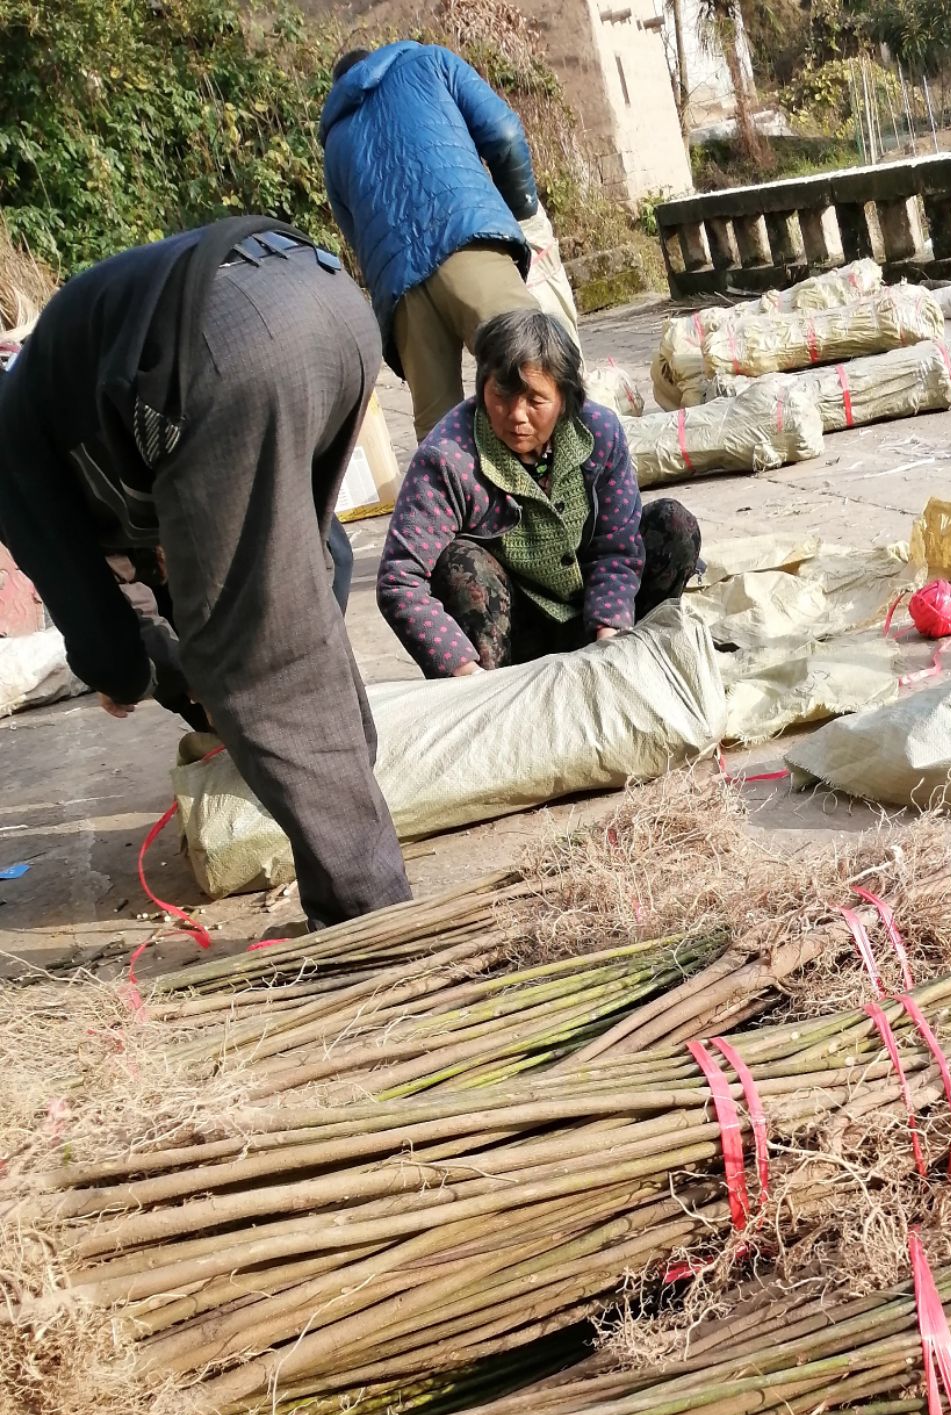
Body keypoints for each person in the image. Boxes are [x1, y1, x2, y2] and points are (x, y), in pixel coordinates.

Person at [0, 219, 412, 927]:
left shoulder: (9, 440)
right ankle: (347, 791)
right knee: (286, 604)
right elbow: (323, 560)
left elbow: (99, 633)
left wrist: (136, 676)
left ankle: (366, 921)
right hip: (328, 298)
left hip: (227, 345)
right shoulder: (52, 383)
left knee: (256, 665)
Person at [376, 309, 701, 678]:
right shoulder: (448, 458)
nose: (516, 415)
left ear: (565, 398)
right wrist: (463, 672)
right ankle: (498, 694)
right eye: (502, 394)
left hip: (592, 613)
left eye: (535, 400)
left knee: (674, 526)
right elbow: (399, 578)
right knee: (458, 563)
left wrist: (608, 637)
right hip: (514, 634)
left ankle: (636, 659)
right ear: (483, 386)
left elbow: (617, 548)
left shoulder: (600, 433)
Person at [321, 41, 546, 442]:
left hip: (400, 290)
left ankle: (466, 505)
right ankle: (583, 500)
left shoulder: (334, 143)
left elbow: (357, 241)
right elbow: (506, 135)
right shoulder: (430, 62)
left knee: (440, 437)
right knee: (534, 374)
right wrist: (521, 213)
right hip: (468, 239)